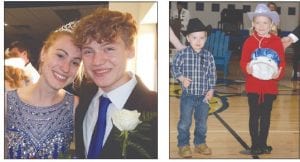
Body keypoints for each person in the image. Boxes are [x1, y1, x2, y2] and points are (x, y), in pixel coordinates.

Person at [73, 8, 158, 159]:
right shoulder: (82, 98)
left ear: (130, 50)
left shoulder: (156, 107)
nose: (97, 61)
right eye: (88, 51)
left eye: (109, 48)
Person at [4, 22, 82, 159]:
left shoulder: (76, 106)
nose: (65, 68)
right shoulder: (6, 101)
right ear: (44, 53)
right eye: (60, 55)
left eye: (75, 62)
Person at [240, 3, 286, 155]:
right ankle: (254, 145)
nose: (261, 25)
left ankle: (263, 144)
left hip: (269, 88)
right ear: (253, 24)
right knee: (254, 116)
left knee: (265, 117)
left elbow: (282, 64)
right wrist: (246, 68)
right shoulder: (249, 41)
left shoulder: (277, 42)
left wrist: (278, 73)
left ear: (271, 24)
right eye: (258, 22)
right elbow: (243, 61)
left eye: (265, 22)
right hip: (253, 87)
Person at [172, 18, 216, 158]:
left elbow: (212, 74)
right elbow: (174, 68)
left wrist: (211, 90)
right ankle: (183, 145)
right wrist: (181, 78)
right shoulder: (182, 54)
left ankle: (200, 143)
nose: (198, 41)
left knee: (202, 122)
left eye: (202, 37)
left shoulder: (208, 56)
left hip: (203, 97)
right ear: (188, 38)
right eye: (195, 37)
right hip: (188, 96)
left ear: (206, 38)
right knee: (185, 122)